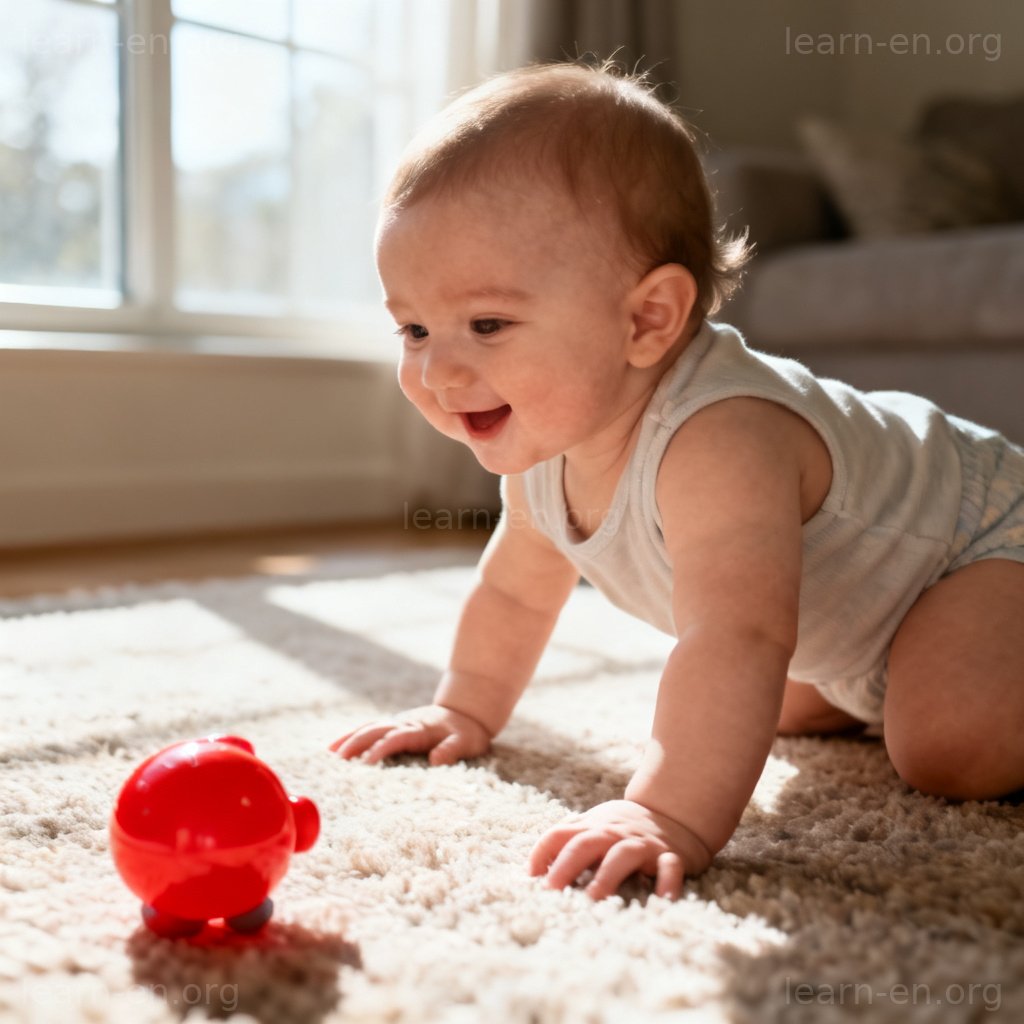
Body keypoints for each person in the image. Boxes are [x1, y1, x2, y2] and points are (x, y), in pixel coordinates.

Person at [331, 62, 1024, 901]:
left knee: (946, 746)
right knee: (767, 706)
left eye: (486, 324)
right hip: (874, 606)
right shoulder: (549, 445)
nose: (437, 368)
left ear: (646, 319)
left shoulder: (718, 437)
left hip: (982, 540)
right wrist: (462, 711)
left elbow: (734, 635)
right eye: (413, 327)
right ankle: (884, 680)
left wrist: (665, 814)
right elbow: (515, 595)